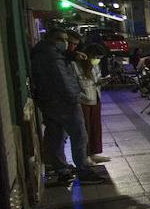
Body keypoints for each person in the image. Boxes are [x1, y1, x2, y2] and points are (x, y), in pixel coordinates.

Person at [31, 30, 104, 183]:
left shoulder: (43, 53)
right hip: (64, 102)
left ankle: (62, 170)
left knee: (56, 135)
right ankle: (83, 170)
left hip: (49, 101)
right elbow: (63, 80)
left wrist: (70, 56)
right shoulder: (53, 58)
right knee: (79, 135)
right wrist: (75, 97)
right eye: (64, 40)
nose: (67, 44)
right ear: (53, 39)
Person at [74, 49, 110, 165]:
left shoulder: (95, 66)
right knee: (85, 129)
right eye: (96, 57)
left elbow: (96, 80)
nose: (97, 60)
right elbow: (75, 84)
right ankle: (85, 155)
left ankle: (94, 152)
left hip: (95, 98)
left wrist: (103, 81)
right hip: (83, 100)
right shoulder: (76, 66)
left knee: (95, 127)